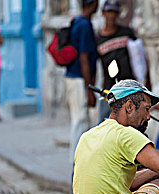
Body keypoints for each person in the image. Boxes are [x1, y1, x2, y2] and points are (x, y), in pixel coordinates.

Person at [96, 0, 143, 123]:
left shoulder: (127, 33)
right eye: (109, 12)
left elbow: (139, 57)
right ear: (103, 13)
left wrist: (146, 80)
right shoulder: (98, 39)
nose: (111, 15)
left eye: (114, 12)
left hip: (130, 87)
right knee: (106, 123)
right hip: (109, 89)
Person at [65, 0, 99, 165]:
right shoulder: (84, 25)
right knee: (79, 121)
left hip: (74, 77)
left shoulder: (76, 21)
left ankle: (80, 161)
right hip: (79, 79)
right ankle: (76, 163)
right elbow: (84, 58)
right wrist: (89, 89)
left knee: (80, 120)